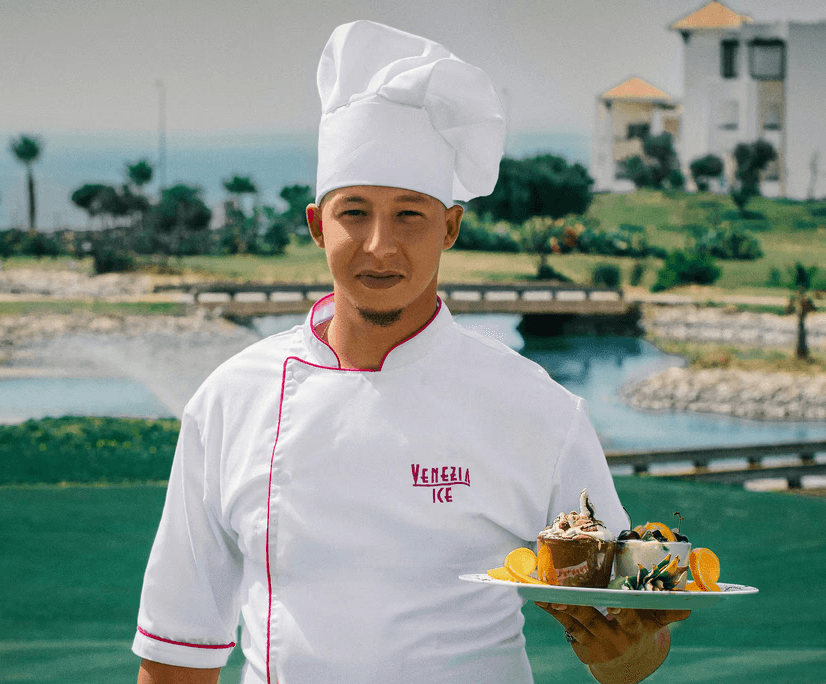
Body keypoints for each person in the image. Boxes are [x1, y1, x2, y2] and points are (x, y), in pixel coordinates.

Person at [133, 20, 688, 684]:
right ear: (316, 225)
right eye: (355, 212)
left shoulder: (536, 407)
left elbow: (630, 628)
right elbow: (177, 652)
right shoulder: (230, 400)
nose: (380, 247)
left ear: (450, 225)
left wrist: (625, 654)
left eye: (409, 215)